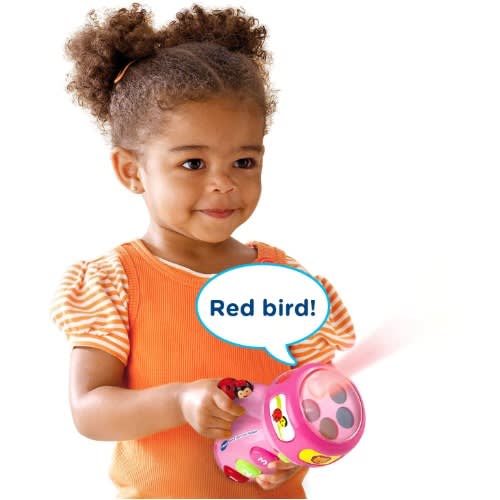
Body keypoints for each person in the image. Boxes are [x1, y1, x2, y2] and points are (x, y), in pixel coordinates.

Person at [49, 3, 356, 498]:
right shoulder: (114, 282)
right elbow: (89, 410)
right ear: (131, 171)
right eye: (193, 163)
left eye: (243, 161)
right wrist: (179, 401)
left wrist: (293, 456)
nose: (223, 184)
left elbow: (318, 404)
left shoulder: (287, 281)